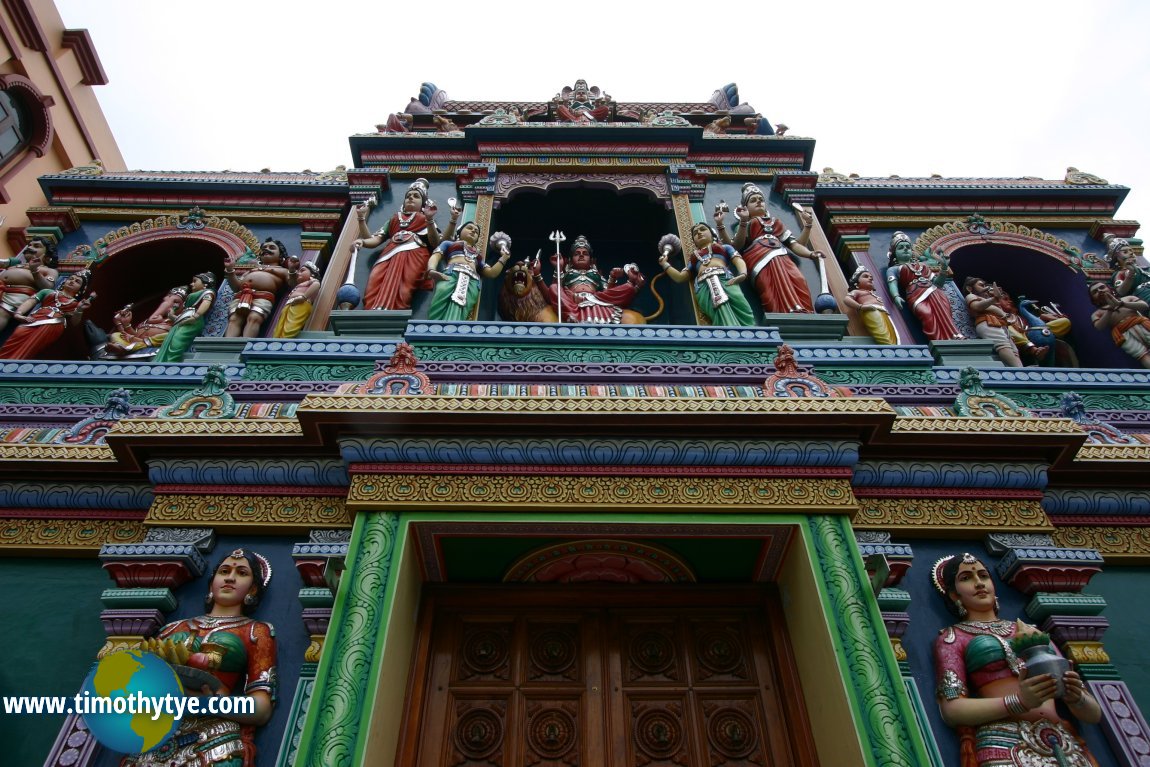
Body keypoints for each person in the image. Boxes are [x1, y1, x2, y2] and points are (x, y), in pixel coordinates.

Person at [932, 552, 1100, 767]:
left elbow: (1092, 714)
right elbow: (952, 710)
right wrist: (1019, 702)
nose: (979, 583)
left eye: (983, 576)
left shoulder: (1032, 632)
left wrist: (1077, 696)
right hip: (1004, 741)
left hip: (1062, 742)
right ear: (954, 595)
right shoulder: (953, 638)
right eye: (966, 578)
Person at [126, 548, 277, 767]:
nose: (230, 577)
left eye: (242, 573)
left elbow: (261, 708)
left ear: (252, 589)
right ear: (211, 584)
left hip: (214, 741)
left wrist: (206, 702)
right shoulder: (172, 629)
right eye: (224, 571)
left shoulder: (256, 631)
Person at [721, 183, 824, 314]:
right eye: (753, 200)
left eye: (761, 200)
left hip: (782, 256)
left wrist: (810, 252)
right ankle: (779, 313)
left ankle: (801, 309)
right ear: (745, 207)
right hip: (759, 259)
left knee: (798, 279)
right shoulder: (747, 224)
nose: (758, 202)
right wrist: (743, 221)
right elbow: (737, 245)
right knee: (769, 287)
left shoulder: (776, 222)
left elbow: (796, 244)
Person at [353, 178, 451, 311]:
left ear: (423, 203)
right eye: (408, 196)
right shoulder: (394, 218)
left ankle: (394, 312)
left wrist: (429, 219)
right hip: (388, 255)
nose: (411, 198)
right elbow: (374, 240)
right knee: (375, 282)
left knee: (404, 287)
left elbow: (435, 243)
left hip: (414, 255)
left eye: (416, 196)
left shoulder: (424, 218)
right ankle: (375, 309)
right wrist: (361, 228)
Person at [658, 222, 754, 326]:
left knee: (741, 305)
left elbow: (738, 260)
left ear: (712, 234)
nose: (699, 233)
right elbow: (680, 277)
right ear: (694, 242)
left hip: (725, 279)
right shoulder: (694, 257)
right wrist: (665, 264)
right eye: (695, 233)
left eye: (703, 229)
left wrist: (743, 273)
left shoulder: (725, 247)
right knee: (716, 311)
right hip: (703, 286)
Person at [535, 235, 646, 324]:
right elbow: (553, 292)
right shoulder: (567, 274)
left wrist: (613, 277)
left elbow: (608, 293)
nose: (581, 256)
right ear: (570, 260)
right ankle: (571, 315)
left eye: (585, 254)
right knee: (554, 288)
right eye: (577, 254)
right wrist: (558, 268)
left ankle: (633, 283)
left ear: (591, 259)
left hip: (596, 298)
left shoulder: (595, 274)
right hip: (572, 301)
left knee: (628, 288)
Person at [885, 231, 966, 342]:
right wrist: (895, 296)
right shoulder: (893, 269)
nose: (905, 249)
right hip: (915, 294)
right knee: (927, 315)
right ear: (894, 253)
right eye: (901, 247)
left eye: (907, 247)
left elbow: (938, 283)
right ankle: (937, 340)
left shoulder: (923, 266)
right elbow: (892, 283)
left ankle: (954, 336)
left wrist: (943, 268)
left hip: (935, 292)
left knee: (944, 314)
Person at [0, 269, 94, 359]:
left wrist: (79, 309)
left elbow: (74, 322)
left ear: (81, 289)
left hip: (53, 324)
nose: (72, 282)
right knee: (17, 335)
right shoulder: (47, 292)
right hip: (35, 319)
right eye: (71, 279)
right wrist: (19, 313)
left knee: (33, 345)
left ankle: (15, 363)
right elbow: (30, 301)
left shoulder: (75, 304)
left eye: (77, 281)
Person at [425, 222, 509, 321]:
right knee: (441, 295)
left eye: (476, 231)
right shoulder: (448, 244)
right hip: (451, 274)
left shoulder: (477, 257)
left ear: (477, 239)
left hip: (471, 282)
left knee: (463, 306)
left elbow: (491, 273)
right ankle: (434, 326)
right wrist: (431, 269)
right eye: (469, 228)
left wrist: (504, 258)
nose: (473, 231)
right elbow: (436, 256)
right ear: (459, 232)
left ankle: (454, 327)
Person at [224, 238, 297, 337]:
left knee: (254, 318)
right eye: (264, 248)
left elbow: (293, 284)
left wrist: (292, 270)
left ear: (280, 256)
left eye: (272, 248)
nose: (267, 249)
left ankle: (245, 344)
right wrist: (230, 271)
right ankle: (227, 345)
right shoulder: (252, 270)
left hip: (263, 296)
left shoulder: (283, 271)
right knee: (234, 319)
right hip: (242, 295)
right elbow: (236, 287)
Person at [104, 285, 188, 356]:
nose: (168, 304)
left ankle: (126, 348)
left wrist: (135, 339)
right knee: (115, 335)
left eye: (176, 302)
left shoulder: (176, 321)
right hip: (135, 342)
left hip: (152, 345)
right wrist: (125, 324)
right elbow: (135, 335)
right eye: (166, 301)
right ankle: (122, 347)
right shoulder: (149, 321)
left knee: (170, 335)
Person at [0, 237, 59, 334]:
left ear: (47, 256)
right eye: (29, 245)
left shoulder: (49, 270)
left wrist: (35, 270)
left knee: (2, 312)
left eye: (36, 246)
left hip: (16, 294)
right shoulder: (17, 264)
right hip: (2, 287)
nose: (30, 247)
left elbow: (47, 287)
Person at [152, 273, 216, 363]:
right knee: (171, 341)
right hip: (185, 319)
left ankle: (170, 363)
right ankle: (165, 362)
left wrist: (195, 316)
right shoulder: (191, 298)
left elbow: (206, 303)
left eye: (195, 281)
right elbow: (181, 318)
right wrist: (171, 316)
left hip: (193, 321)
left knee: (177, 342)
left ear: (205, 284)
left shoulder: (207, 293)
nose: (191, 284)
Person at [1090, 281, 1150, 368]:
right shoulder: (1097, 313)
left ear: (1109, 288)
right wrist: (1110, 309)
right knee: (1141, 355)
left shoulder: (1128, 298)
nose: (1100, 291)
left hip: (1142, 324)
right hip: (1123, 334)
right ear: (1093, 299)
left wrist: (1122, 304)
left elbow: (1144, 306)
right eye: (1095, 291)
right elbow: (1099, 327)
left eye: (1102, 287)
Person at [843, 266, 897, 344]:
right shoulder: (857, 292)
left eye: (871, 277)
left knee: (892, 333)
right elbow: (847, 299)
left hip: (883, 312)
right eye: (865, 276)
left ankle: (893, 346)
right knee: (882, 333)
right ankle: (888, 347)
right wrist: (860, 307)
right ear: (856, 282)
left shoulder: (871, 293)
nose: (870, 278)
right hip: (871, 311)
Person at [271, 261, 321, 338]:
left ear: (312, 274)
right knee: (280, 325)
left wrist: (303, 297)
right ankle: (277, 339)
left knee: (291, 325)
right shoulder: (300, 284)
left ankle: (284, 340)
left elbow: (316, 285)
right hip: (289, 304)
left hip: (301, 303)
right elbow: (291, 280)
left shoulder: (312, 281)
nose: (298, 273)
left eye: (302, 270)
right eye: (298, 271)